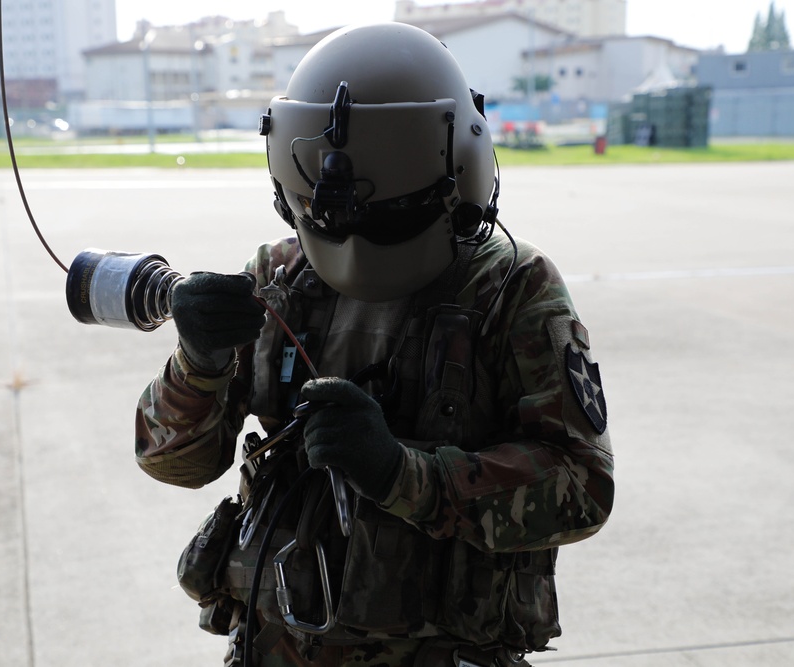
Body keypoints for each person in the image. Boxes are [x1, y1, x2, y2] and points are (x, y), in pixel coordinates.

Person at [134, 22, 614, 667]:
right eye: (324, 217)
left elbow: (582, 486)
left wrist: (403, 474)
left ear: (459, 176)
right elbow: (174, 463)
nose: (354, 244)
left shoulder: (513, 289)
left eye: (389, 217)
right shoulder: (278, 281)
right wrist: (198, 365)